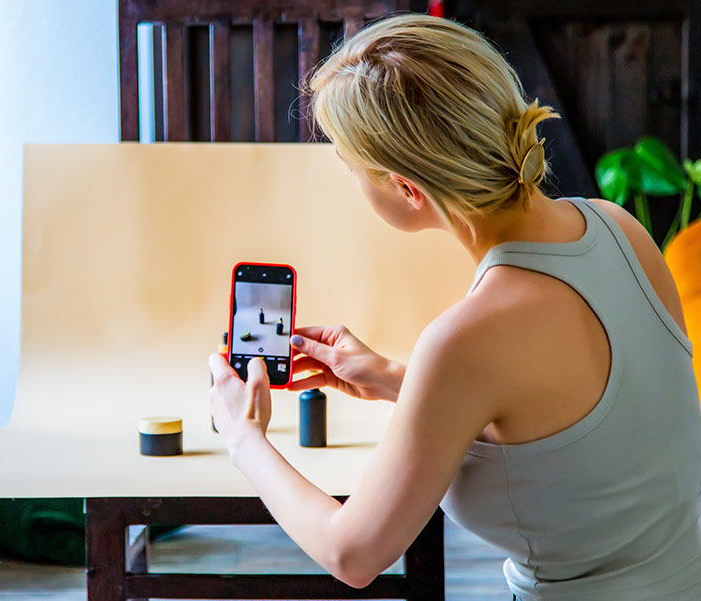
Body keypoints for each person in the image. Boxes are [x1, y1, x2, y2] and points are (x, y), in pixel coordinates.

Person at [208, 14, 701, 600]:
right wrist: (397, 379)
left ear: (407, 189)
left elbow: (353, 553)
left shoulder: (465, 341)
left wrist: (245, 437)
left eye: (349, 167)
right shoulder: (620, 228)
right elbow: (588, 428)